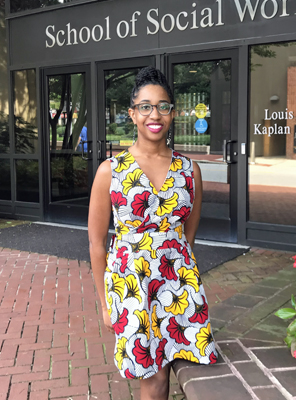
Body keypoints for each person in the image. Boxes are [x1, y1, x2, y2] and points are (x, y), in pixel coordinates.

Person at [88, 66, 217, 399]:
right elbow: (96, 244)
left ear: (173, 113)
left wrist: (179, 279)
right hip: (133, 286)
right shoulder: (111, 171)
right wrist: (105, 304)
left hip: (179, 284)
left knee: (185, 368)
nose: (154, 115)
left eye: (163, 106)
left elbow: (187, 238)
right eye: (145, 106)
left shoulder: (190, 170)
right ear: (132, 114)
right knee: (155, 379)